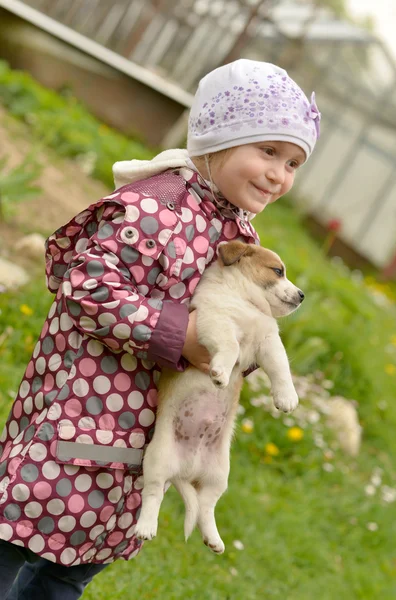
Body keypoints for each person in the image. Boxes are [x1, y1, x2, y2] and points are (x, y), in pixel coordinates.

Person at [0, 59, 320, 599]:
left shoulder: (233, 224)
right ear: (219, 138)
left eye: (292, 162)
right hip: (83, 411)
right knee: (19, 533)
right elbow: (88, 286)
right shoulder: (157, 207)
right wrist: (182, 336)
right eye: (267, 152)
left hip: (140, 431)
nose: (279, 175)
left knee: (77, 561)